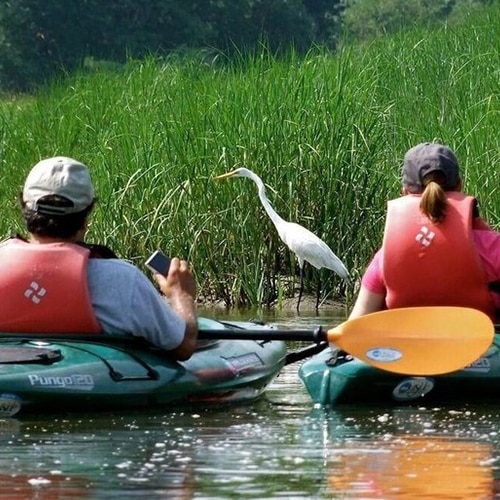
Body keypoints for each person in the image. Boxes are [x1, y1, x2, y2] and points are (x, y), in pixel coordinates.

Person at [0, 156, 198, 360]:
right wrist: (180, 296)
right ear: (85, 219)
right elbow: (183, 344)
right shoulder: (122, 279)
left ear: (23, 207)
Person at [349, 142, 500, 322]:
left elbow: (356, 323)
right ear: (459, 186)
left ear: (405, 191)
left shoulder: (386, 258)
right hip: (482, 347)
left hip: (408, 349)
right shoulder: (494, 248)